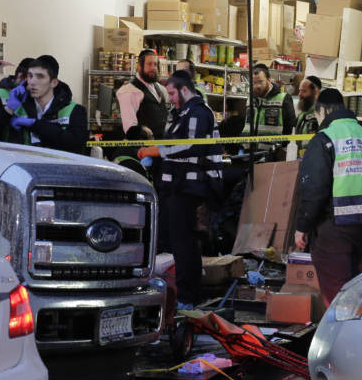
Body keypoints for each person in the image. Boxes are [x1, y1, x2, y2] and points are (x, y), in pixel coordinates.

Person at [294, 88, 362, 305]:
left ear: (322, 110)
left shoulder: (324, 139)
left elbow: (314, 190)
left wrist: (302, 226)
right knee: (351, 284)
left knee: (338, 297)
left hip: (335, 227)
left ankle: (343, 334)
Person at [137, 70, 224, 309]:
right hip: (177, 186)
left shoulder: (197, 112)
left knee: (184, 244)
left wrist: (159, 151)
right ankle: (187, 294)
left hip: (188, 187)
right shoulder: (181, 114)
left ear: (185, 90)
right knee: (180, 243)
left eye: (173, 93)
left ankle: (187, 297)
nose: (171, 98)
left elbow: (191, 147)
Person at [3, 55, 88, 154]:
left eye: (40, 77)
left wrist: (35, 124)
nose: (33, 82)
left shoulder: (75, 111)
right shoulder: (18, 108)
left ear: (54, 83)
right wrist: (8, 110)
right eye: (30, 76)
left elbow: (75, 143)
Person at [117, 49, 168, 140]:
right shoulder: (129, 90)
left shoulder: (159, 88)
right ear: (139, 66)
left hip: (160, 146)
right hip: (140, 148)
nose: (153, 68)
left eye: (155, 64)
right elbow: (129, 128)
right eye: (149, 64)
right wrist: (141, 130)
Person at [241, 63, 295, 137]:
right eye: (254, 82)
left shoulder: (284, 99)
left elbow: (289, 127)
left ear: (269, 80)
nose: (257, 86)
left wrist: (281, 145)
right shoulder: (250, 99)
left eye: (260, 82)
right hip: (248, 147)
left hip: (272, 148)